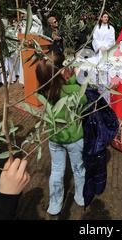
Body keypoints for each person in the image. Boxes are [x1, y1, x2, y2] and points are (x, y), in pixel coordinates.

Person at [36, 54, 86, 216]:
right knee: (78, 168)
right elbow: (84, 99)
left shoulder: (43, 93)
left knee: (57, 171)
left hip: (55, 138)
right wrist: (74, 79)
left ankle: (55, 204)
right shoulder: (72, 90)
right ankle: (80, 196)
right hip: (74, 138)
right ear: (62, 71)